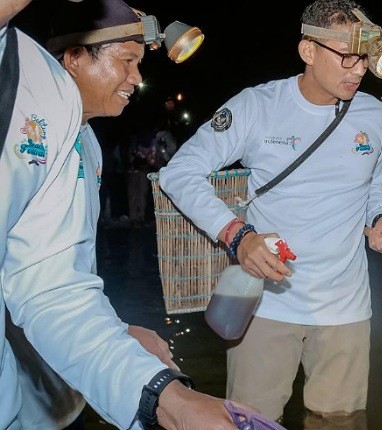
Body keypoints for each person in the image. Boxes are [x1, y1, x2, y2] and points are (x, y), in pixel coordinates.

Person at [1, 0, 254, 428]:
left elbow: (52, 277)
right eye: (126, 61)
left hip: (66, 388)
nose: (137, 78)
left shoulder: (87, 143)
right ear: (74, 57)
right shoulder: (17, 98)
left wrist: (117, 333)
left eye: (139, 64)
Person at [157, 0, 382, 426]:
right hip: (266, 305)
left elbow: (374, 187)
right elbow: (179, 171)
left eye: (364, 57)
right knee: (252, 421)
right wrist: (236, 234)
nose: (358, 69)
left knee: (340, 421)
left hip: (346, 307)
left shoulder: (376, 115)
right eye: (347, 56)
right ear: (308, 51)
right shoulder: (257, 106)